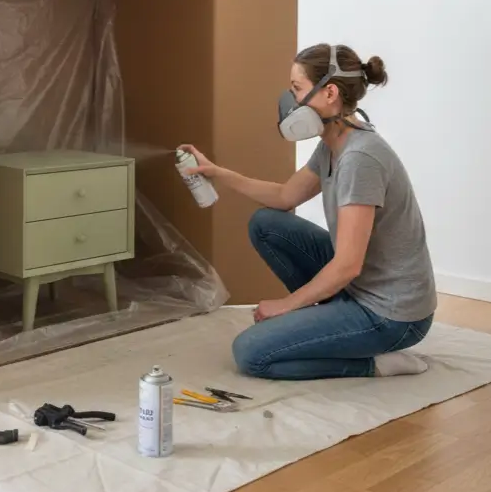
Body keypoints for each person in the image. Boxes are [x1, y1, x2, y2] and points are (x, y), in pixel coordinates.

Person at [181, 43, 437, 380]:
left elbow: (347, 264)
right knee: (267, 223)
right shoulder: (333, 143)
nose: (290, 101)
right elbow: (286, 196)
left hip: (393, 316)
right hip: (362, 288)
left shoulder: (361, 159)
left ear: (329, 93)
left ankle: (376, 362)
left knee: (251, 354)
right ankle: (327, 322)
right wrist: (217, 173)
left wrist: (286, 306)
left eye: (297, 89)